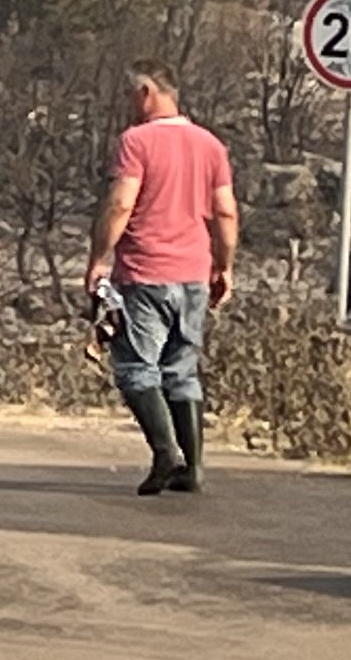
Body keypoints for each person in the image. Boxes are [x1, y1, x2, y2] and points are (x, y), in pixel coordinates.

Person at [84, 63, 240, 497]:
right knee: (182, 369)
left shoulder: (137, 142)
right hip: (192, 272)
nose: (129, 105)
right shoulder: (210, 145)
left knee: (136, 368)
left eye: (131, 95)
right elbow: (225, 211)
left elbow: (120, 205)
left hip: (145, 270)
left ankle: (165, 452)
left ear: (148, 92)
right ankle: (192, 467)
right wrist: (223, 265)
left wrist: (99, 258)